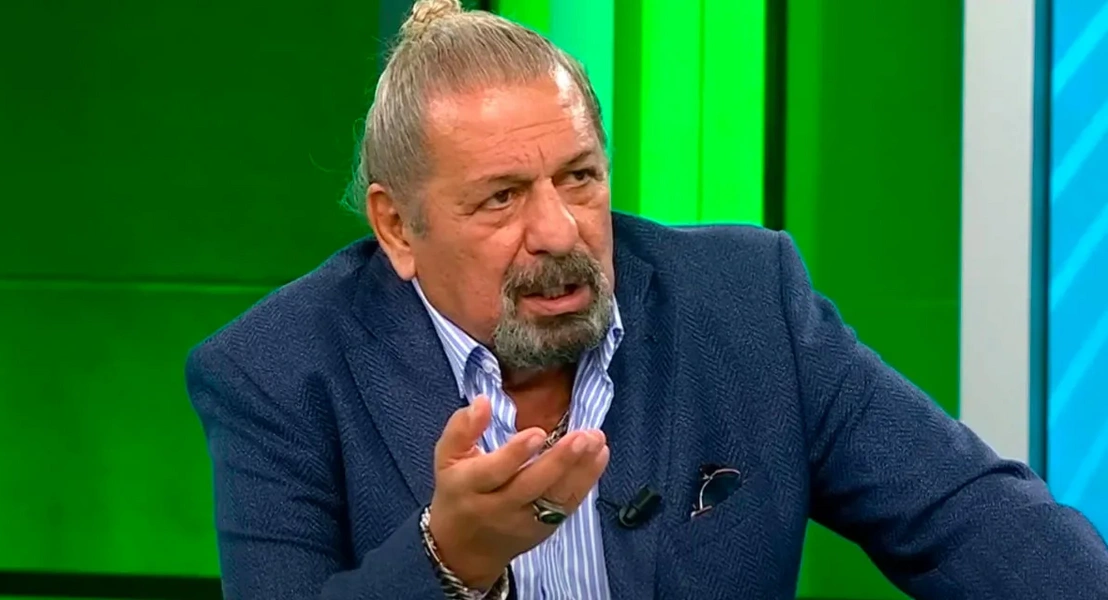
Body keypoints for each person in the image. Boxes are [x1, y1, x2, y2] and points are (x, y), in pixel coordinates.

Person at [185, 1, 1108, 598]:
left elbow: (968, 515)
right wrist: (448, 558)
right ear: (397, 226)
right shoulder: (277, 373)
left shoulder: (746, 304)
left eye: (579, 177)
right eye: (501, 198)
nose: (559, 231)